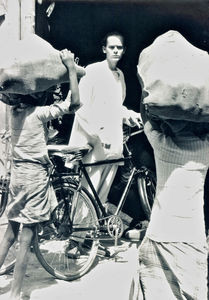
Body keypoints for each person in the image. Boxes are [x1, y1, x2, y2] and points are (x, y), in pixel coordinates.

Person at [0, 49, 80, 300]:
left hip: (17, 177)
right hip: (34, 179)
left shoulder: (14, 113)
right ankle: (15, 294)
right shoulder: (39, 114)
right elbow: (74, 104)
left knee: (9, 233)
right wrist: (70, 68)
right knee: (26, 239)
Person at [136, 104, 209, 299]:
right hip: (192, 236)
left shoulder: (162, 144)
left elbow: (145, 116)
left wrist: (143, 83)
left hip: (159, 233)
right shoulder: (206, 149)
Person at [69, 31, 141, 207]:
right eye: (112, 47)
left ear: (124, 50)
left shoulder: (120, 76)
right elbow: (80, 106)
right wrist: (98, 133)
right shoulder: (92, 71)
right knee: (87, 194)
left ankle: (92, 233)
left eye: (119, 47)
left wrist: (131, 116)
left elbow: (116, 107)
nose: (115, 51)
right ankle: (77, 235)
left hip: (114, 143)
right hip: (95, 143)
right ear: (104, 49)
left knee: (101, 197)